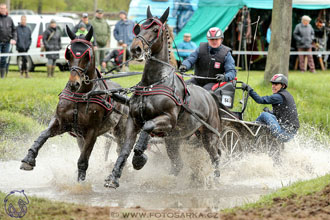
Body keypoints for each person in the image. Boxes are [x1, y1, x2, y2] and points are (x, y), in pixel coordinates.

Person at [242, 74, 300, 143]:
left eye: (276, 84)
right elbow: (283, 115)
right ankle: (258, 136)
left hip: (283, 133)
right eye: (272, 84)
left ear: (283, 86)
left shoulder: (279, 97)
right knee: (268, 114)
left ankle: (250, 132)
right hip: (289, 132)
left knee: (264, 114)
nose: (273, 86)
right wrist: (270, 112)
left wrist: (250, 90)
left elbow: (260, 100)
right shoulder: (287, 95)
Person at [0, 3, 16, 78]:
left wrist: (14, 39)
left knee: (4, 59)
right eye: (1, 8)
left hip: (7, 42)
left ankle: (2, 76)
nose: (2, 10)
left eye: (4, 8)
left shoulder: (9, 19)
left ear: (6, 9)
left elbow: (14, 30)